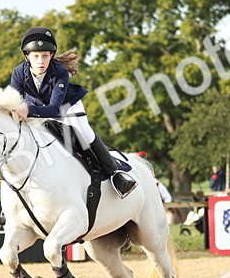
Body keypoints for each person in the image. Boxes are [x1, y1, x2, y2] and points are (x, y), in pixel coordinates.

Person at [9, 26, 136, 198]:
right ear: (27, 56)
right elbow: (14, 100)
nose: (41, 61)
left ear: (51, 56)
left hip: (67, 107)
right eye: (36, 56)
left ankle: (116, 175)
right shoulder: (18, 72)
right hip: (36, 109)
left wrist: (28, 109)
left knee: (85, 132)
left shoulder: (60, 72)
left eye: (45, 56)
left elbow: (54, 109)